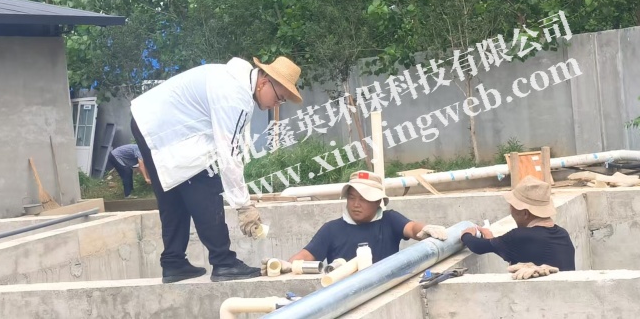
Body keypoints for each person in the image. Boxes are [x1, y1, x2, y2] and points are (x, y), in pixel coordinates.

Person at [130, 56, 303, 283]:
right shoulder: (236, 97)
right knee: (206, 185)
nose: (276, 105)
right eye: (279, 98)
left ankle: (173, 262)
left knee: (173, 195)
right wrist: (243, 206)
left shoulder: (233, 82)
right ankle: (224, 262)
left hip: (146, 121)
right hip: (165, 129)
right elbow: (229, 155)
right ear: (264, 82)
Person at [283, 170, 449, 267]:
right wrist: (287, 266)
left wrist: (425, 229)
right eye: (352, 198)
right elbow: (306, 256)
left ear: (377, 201)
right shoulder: (331, 229)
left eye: (363, 199)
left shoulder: (389, 221)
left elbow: (412, 228)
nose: (356, 204)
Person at [460, 176, 576, 277]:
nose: (510, 210)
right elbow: (515, 250)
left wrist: (466, 234)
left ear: (525, 213)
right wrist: (492, 240)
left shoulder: (520, 236)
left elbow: (478, 246)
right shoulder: (562, 234)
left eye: (512, 206)